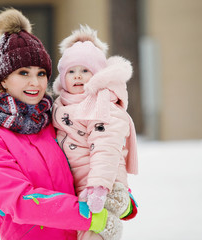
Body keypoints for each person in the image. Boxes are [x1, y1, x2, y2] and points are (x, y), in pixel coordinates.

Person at [0, 9, 112, 240]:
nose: (35, 83)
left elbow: (85, 161)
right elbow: (17, 199)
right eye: (23, 73)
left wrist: (114, 195)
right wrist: (86, 214)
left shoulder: (53, 119)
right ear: (3, 79)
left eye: (41, 73)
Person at [52, 25, 139, 240]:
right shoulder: (61, 105)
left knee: (98, 231)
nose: (78, 77)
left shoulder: (103, 104)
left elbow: (106, 147)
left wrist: (98, 187)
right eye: (71, 71)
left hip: (103, 187)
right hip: (77, 187)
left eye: (85, 71)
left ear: (98, 75)